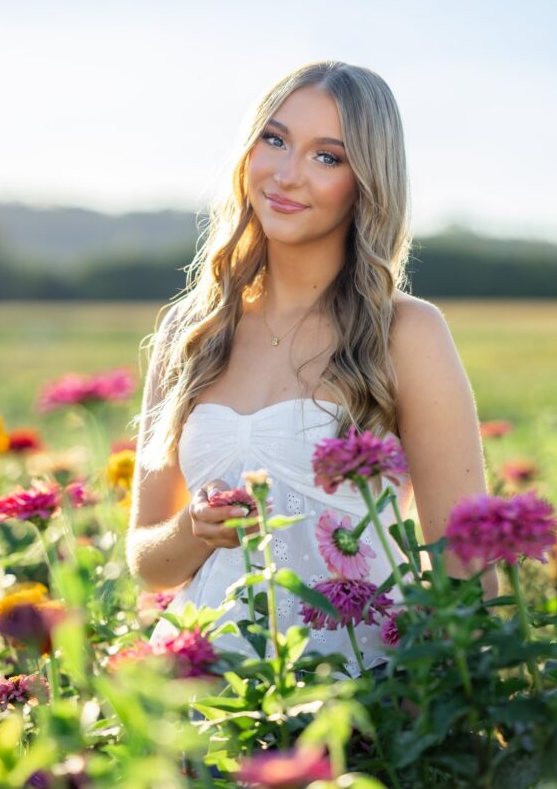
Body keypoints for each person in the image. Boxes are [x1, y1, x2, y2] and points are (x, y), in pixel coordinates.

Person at [126, 60, 497, 676]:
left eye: (327, 157)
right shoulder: (189, 331)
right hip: (209, 701)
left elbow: (465, 565)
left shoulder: (406, 331)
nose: (287, 174)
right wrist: (194, 530)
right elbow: (149, 562)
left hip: (362, 700)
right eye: (273, 140)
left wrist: (427, 712)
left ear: (367, 182)